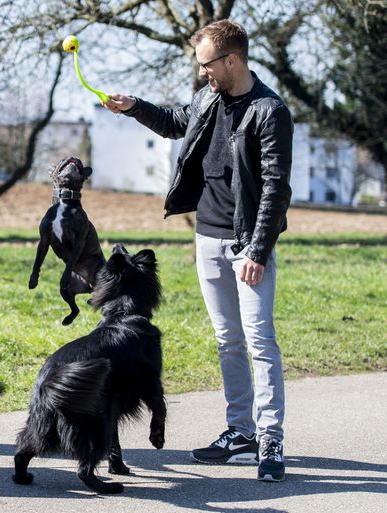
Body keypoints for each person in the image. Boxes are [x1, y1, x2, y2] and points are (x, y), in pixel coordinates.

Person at [104, 19, 292, 482]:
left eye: (207, 65)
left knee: (260, 340)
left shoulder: (270, 111)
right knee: (227, 340)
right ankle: (239, 432)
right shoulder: (209, 97)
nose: (202, 73)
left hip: (248, 244)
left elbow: (275, 188)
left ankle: (271, 439)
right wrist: (135, 107)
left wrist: (258, 250)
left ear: (232, 60)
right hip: (207, 235)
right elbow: (176, 123)